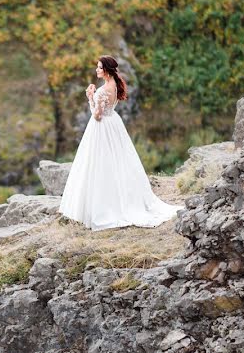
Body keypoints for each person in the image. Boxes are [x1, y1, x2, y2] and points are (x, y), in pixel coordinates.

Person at [58, 55, 184, 231]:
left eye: (99, 68)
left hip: (102, 127)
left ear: (107, 70)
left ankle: (103, 206)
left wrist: (90, 97)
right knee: (118, 161)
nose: (96, 70)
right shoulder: (114, 85)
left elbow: (97, 115)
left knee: (99, 164)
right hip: (114, 124)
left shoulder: (102, 91)